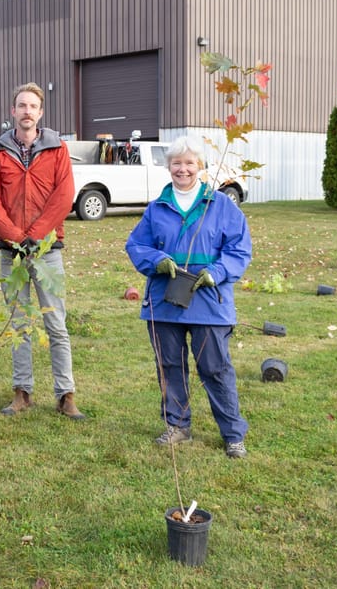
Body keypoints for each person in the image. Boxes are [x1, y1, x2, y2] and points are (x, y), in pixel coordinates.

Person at [124, 134, 251, 458]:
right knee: (169, 365)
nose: (183, 169)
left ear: (201, 166)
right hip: (165, 300)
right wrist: (157, 261)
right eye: (176, 163)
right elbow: (136, 245)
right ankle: (177, 425)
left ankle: (233, 434)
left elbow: (239, 248)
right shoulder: (157, 209)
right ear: (169, 167)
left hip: (209, 301)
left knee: (215, 368)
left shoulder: (220, 205)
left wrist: (217, 272)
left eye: (190, 163)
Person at [0, 82, 84, 420]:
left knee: (56, 323)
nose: (27, 111)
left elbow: (63, 195)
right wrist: (15, 237)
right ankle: (21, 391)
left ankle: (65, 394)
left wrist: (37, 236)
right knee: (19, 323)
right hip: (11, 252)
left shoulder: (57, 149)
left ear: (40, 113)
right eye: (22, 105)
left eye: (33, 106)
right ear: (13, 111)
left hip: (47, 251)